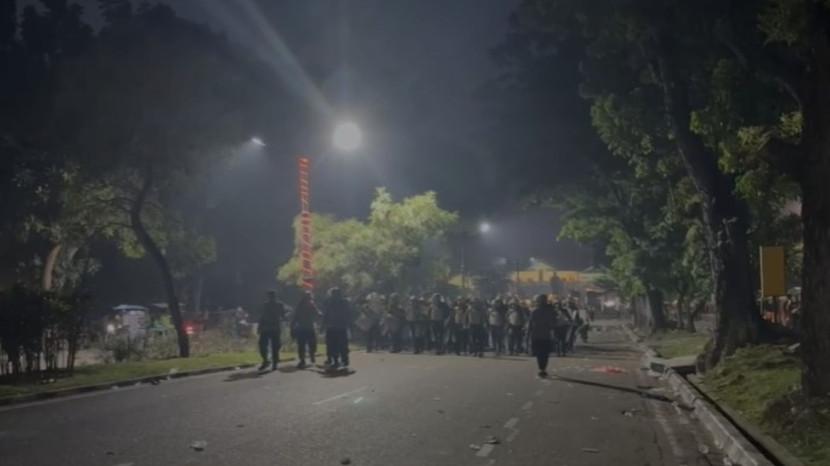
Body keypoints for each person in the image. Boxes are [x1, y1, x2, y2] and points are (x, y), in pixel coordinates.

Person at [323, 287, 352, 369]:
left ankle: (341, 360)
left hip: (336, 326)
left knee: (336, 344)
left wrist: (324, 324)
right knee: (337, 344)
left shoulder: (341, 302)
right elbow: (327, 314)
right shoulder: (336, 302)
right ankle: (340, 360)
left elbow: (326, 314)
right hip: (336, 327)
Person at [528, 294, 556, 377]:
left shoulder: (534, 311)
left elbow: (530, 323)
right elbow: (553, 323)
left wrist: (528, 333)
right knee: (545, 353)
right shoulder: (550, 311)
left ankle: (541, 368)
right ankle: (543, 368)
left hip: (536, 334)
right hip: (546, 334)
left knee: (539, 353)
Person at [258, 290, 286, 371]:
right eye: (270, 296)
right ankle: (266, 360)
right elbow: (262, 316)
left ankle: (274, 362)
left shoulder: (279, 305)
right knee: (262, 345)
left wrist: (284, 316)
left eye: (272, 296)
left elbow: (283, 315)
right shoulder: (265, 305)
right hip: (266, 327)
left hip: (274, 327)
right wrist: (259, 327)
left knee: (275, 346)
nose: (271, 298)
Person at [292, 291, 320, 369]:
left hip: (303, 328)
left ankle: (304, 359)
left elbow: (295, 318)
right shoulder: (310, 305)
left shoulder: (301, 305)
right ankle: (307, 357)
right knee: (309, 344)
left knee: (303, 345)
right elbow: (317, 314)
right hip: (307, 328)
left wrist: (292, 326)